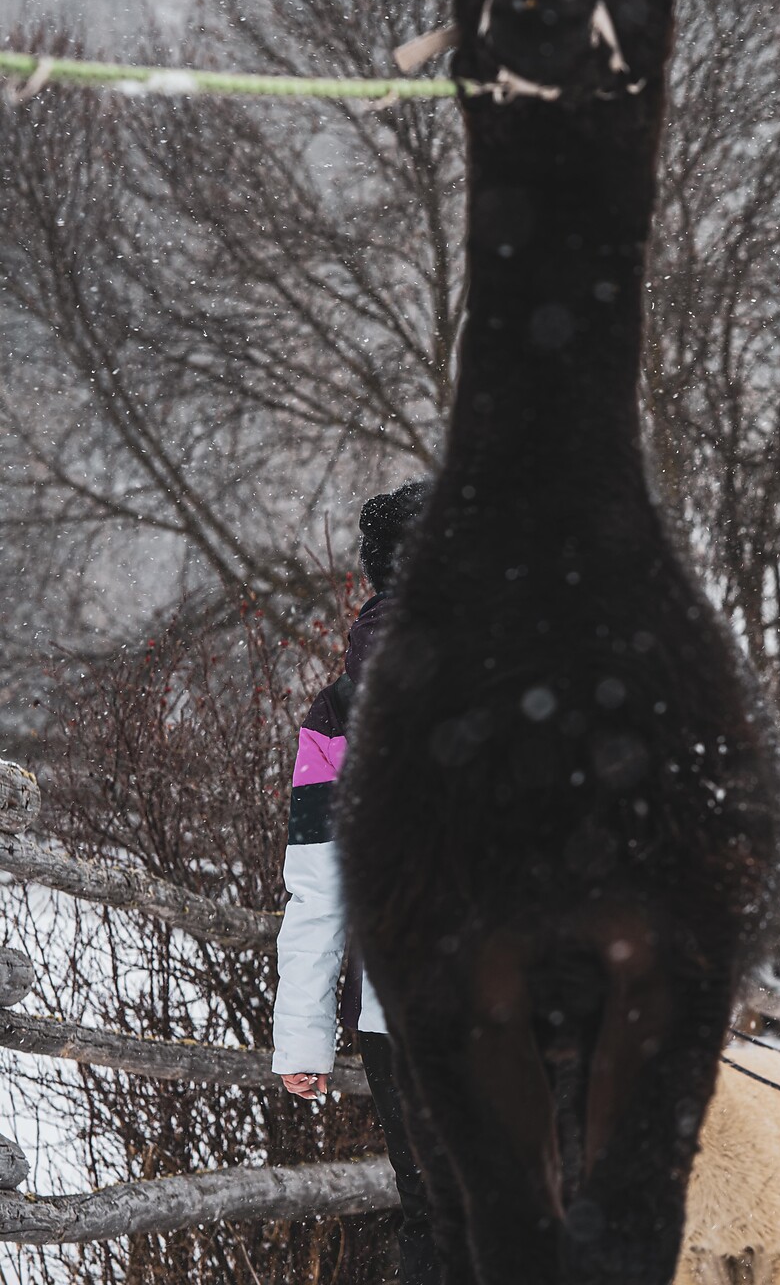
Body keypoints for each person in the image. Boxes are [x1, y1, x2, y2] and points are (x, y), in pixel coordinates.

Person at [272, 480, 434, 1285]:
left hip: (395, 1014)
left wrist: (303, 1035)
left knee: (435, 1217)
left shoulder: (335, 712)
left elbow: (317, 890)